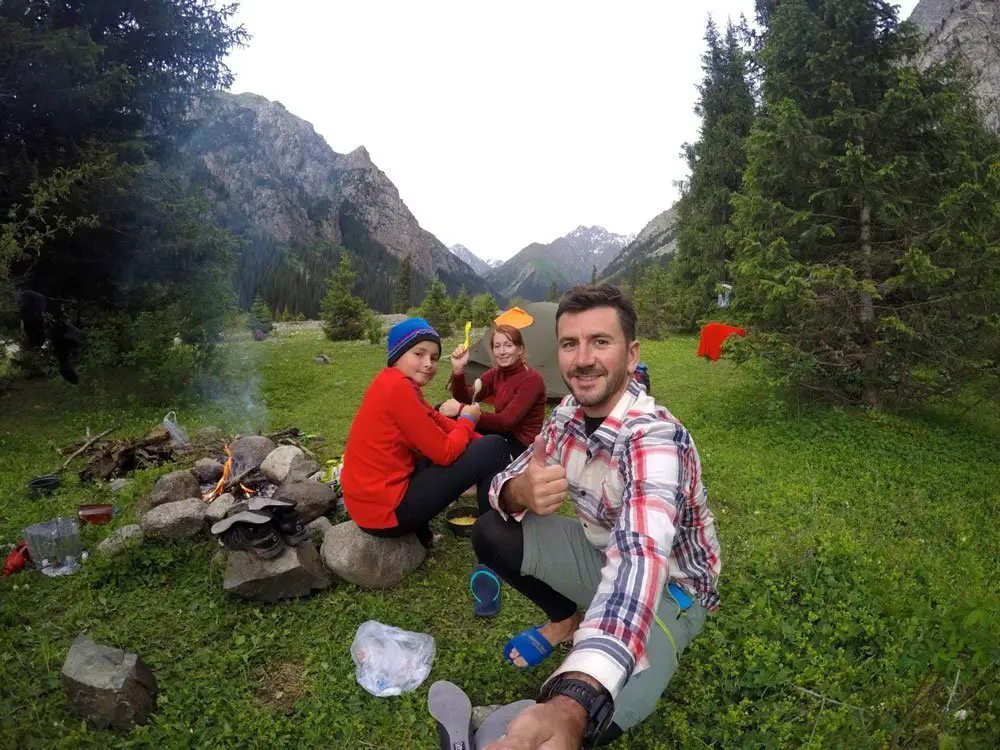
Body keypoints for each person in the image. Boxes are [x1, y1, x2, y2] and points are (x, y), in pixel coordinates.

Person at [474, 285, 722, 749]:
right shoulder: (567, 414)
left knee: (595, 716)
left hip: (672, 590)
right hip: (598, 553)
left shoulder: (654, 438)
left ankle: (590, 666)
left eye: (600, 342)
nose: (583, 359)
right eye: (570, 344)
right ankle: (566, 622)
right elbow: (503, 484)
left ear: (631, 356)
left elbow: (639, 559)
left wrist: (573, 700)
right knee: (492, 532)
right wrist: (515, 491)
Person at [340, 317, 510, 549]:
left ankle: (449, 534)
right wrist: (469, 421)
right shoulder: (398, 389)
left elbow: (436, 419)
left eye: (434, 357)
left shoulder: (391, 382)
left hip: (371, 506)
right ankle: (494, 538)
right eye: (419, 354)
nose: (428, 363)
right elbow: (445, 452)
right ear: (397, 356)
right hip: (385, 515)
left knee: (488, 447)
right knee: (495, 446)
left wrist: (476, 441)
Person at [440, 323, 546, 467]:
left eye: (508, 345)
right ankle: (438, 454)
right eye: (497, 346)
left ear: (520, 349)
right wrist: (458, 370)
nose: (502, 351)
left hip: (520, 445)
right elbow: (467, 398)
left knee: (461, 420)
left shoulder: (532, 379)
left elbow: (506, 422)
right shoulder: (496, 373)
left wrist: (462, 410)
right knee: (444, 412)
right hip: (501, 433)